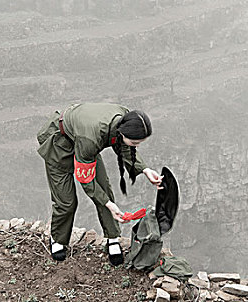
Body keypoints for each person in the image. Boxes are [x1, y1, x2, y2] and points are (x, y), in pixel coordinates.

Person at [36, 103, 163, 265]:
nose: (136, 146)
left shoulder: (125, 118)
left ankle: (112, 237)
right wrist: (109, 204)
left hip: (82, 139)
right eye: (135, 142)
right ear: (122, 132)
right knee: (66, 201)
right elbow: (86, 180)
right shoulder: (91, 139)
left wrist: (145, 170)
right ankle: (58, 239)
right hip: (60, 142)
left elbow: (124, 146)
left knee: (104, 189)